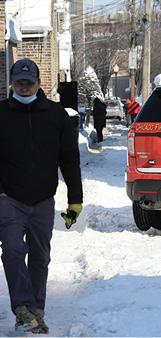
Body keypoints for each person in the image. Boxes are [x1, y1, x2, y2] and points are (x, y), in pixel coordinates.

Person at [0, 58, 83, 334]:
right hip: (9, 197)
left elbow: (69, 159)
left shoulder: (56, 114)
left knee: (39, 257)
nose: (24, 88)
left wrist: (75, 199)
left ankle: (37, 312)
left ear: (38, 83)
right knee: (12, 251)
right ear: (11, 83)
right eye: (19, 83)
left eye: (29, 82)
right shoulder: (1, 114)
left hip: (44, 199)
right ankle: (23, 309)